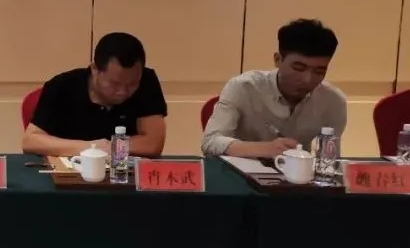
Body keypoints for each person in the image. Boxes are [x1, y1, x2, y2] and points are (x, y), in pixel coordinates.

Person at [202, 19, 345, 157]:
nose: (307, 79)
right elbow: (210, 141)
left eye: (319, 71)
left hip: (297, 172)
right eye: (298, 68)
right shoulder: (244, 87)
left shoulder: (332, 101)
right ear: (278, 60)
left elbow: (329, 159)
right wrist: (265, 149)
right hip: (239, 169)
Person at [23, 32, 167, 157]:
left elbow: (152, 144)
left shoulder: (146, 82)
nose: (123, 91)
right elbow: (31, 141)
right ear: (94, 69)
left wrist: (111, 147)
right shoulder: (62, 86)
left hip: (123, 174)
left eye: (132, 84)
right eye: (114, 83)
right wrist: (92, 148)